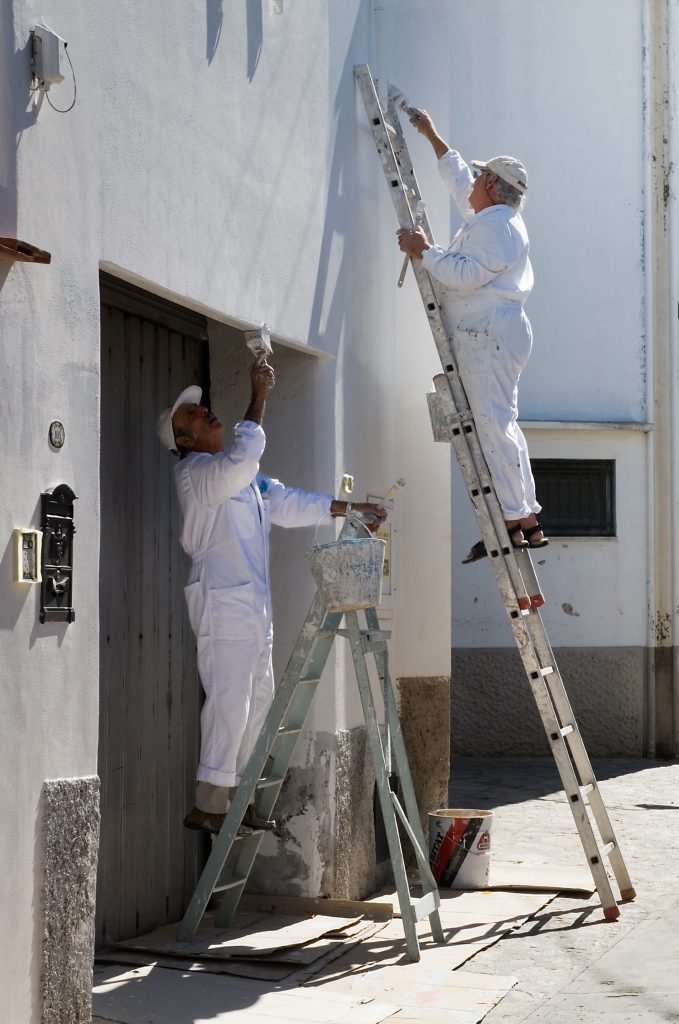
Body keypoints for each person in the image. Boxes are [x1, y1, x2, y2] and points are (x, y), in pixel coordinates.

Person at [157, 357, 387, 833]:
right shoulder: (197, 474)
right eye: (192, 417)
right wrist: (258, 396)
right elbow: (244, 459)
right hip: (223, 603)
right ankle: (209, 803)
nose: (204, 414)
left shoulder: (238, 476)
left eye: (201, 409)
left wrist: (348, 509)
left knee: (257, 699)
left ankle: (237, 803)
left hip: (252, 606)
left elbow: (285, 500)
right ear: (184, 441)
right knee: (229, 699)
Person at [396, 107, 548, 563]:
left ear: (491, 186)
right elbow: (462, 182)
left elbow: (466, 274)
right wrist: (433, 136)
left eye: (481, 175)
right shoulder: (493, 217)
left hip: (489, 334)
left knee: (492, 424)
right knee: (502, 423)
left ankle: (513, 517)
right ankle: (525, 520)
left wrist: (424, 253)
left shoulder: (499, 229)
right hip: (494, 333)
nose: (475, 179)